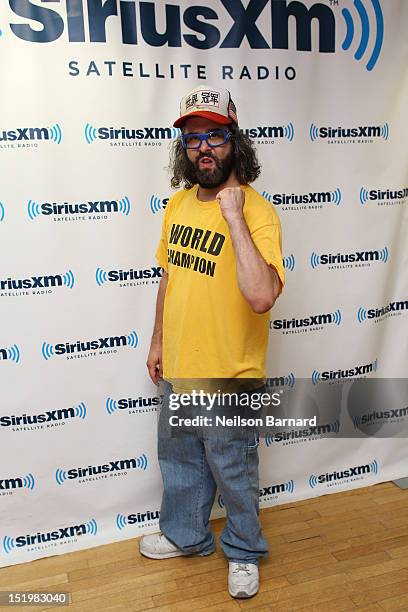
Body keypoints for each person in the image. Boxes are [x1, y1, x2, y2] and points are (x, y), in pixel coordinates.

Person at [140, 86, 285, 599]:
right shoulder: (177, 204)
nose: (204, 147)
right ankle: (188, 536)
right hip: (181, 366)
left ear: (235, 141)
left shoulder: (258, 214)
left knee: (233, 473)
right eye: (193, 137)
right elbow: (169, 277)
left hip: (230, 376)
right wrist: (158, 341)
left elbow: (262, 295)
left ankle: (244, 550)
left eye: (216, 136)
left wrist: (233, 216)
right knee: (181, 465)